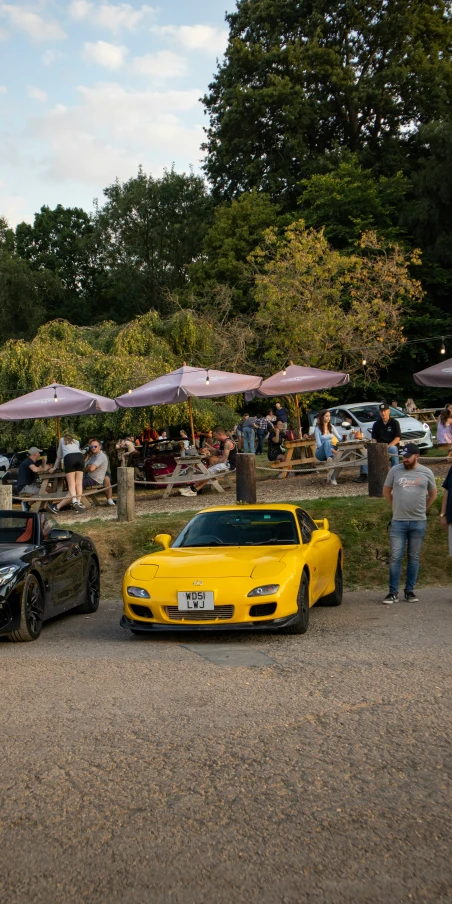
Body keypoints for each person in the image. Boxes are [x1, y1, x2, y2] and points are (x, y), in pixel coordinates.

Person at [382, 443, 437, 604]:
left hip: (418, 522)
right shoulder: (395, 470)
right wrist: (395, 506)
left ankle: (409, 591)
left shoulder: (426, 472)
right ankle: (392, 592)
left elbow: (433, 494)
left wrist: (423, 509)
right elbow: (386, 491)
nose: (404, 459)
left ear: (417, 456)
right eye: (403, 457)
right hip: (398, 521)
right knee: (395, 557)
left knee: (413, 557)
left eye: (407, 457)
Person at [182, 428, 237, 497]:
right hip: (226, 464)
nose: (215, 438)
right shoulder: (223, 442)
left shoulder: (228, 443)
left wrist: (214, 463)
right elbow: (218, 453)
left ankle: (193, 490)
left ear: (220, 435)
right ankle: (193, 489)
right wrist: (209, 449)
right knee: (207, 473)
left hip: (230, 465)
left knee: (207, 473)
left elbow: (223, 459)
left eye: (215, 436)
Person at [47, 431, 85, 514]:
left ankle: (74, 501)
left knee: (71, 484)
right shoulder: (76, 441)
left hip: (69, 458)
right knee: (79, 483)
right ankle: (79, 502)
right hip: (80, 457)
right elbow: (77, 450)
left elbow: (59, 456)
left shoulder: (62, 440)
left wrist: (55, 467)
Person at [83, 439, 115, 505]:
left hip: (100, 475)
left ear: (100, 446)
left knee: (106, 478)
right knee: (77, 482)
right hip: (90, 476)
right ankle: (85, 502)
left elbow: (91, 468)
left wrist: (89, 467)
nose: (93, 448)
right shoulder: (92, 455)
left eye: (95, 446)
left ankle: (109, 499)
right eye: (91, 447)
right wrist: (88, 458)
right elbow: (84, 466)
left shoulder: (101, 455)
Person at [314, 410, 341, 486]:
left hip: (331, 450)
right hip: (320, 452)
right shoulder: (317, 429)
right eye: (326, 416)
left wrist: (350, 435)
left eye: (329, 416)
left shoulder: (331, 427)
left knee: (332, 458)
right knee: (326, 442)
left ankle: (333, 479)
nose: (328, 418)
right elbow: (319, 444)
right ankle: (329, 456)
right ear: (322, 417)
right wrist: (331, 450)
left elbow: (339, 438)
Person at [371, 402, 401, 468]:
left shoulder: (394, 423)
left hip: (390, 446)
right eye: (381, 411)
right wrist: (376, 448)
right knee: (367, 451)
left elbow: (397, 439)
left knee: (393, 449)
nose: (383, 413)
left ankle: (395, 471)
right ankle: (364, 474)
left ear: (389, 411)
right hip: (379, 447)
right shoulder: (376, 424)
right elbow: (374, 439)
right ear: (379, 412)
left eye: (385, 411)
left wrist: (386, 447)